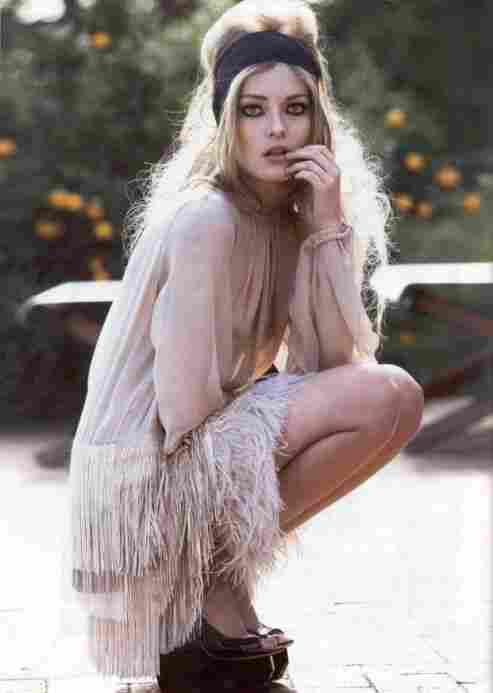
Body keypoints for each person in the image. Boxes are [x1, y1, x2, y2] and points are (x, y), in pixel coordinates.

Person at [65, 0, 424, 682]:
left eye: (295, 109)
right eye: (253, 110)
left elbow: (334, 365)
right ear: (225, 119)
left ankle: (213, 583)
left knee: (392, 401)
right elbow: (182, 413)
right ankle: (207, 586)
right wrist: (195, 525)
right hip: (149, 477)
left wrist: (325, 230)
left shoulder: (289, 215)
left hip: (196, 454)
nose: (277, 130)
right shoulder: (207, 216)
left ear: (319, 119)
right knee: (390, 393)